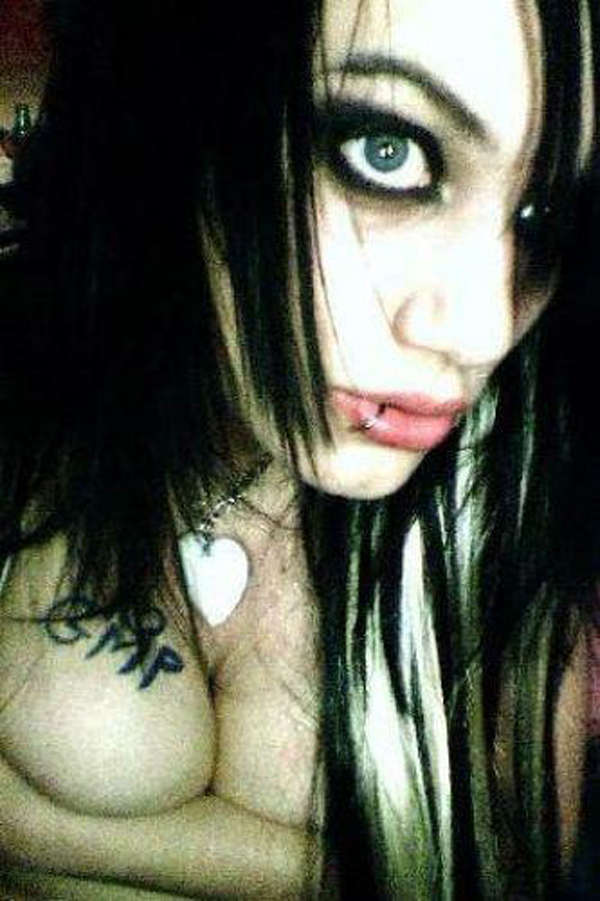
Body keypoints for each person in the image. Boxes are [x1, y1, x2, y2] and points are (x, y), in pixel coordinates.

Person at [0, 0, 597, 897]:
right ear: (186, 105)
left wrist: (52, 832)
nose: (481, 331)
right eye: (388, 151)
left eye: (543, 212)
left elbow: (507, 871)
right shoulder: (36, 388)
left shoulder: (510, 484)